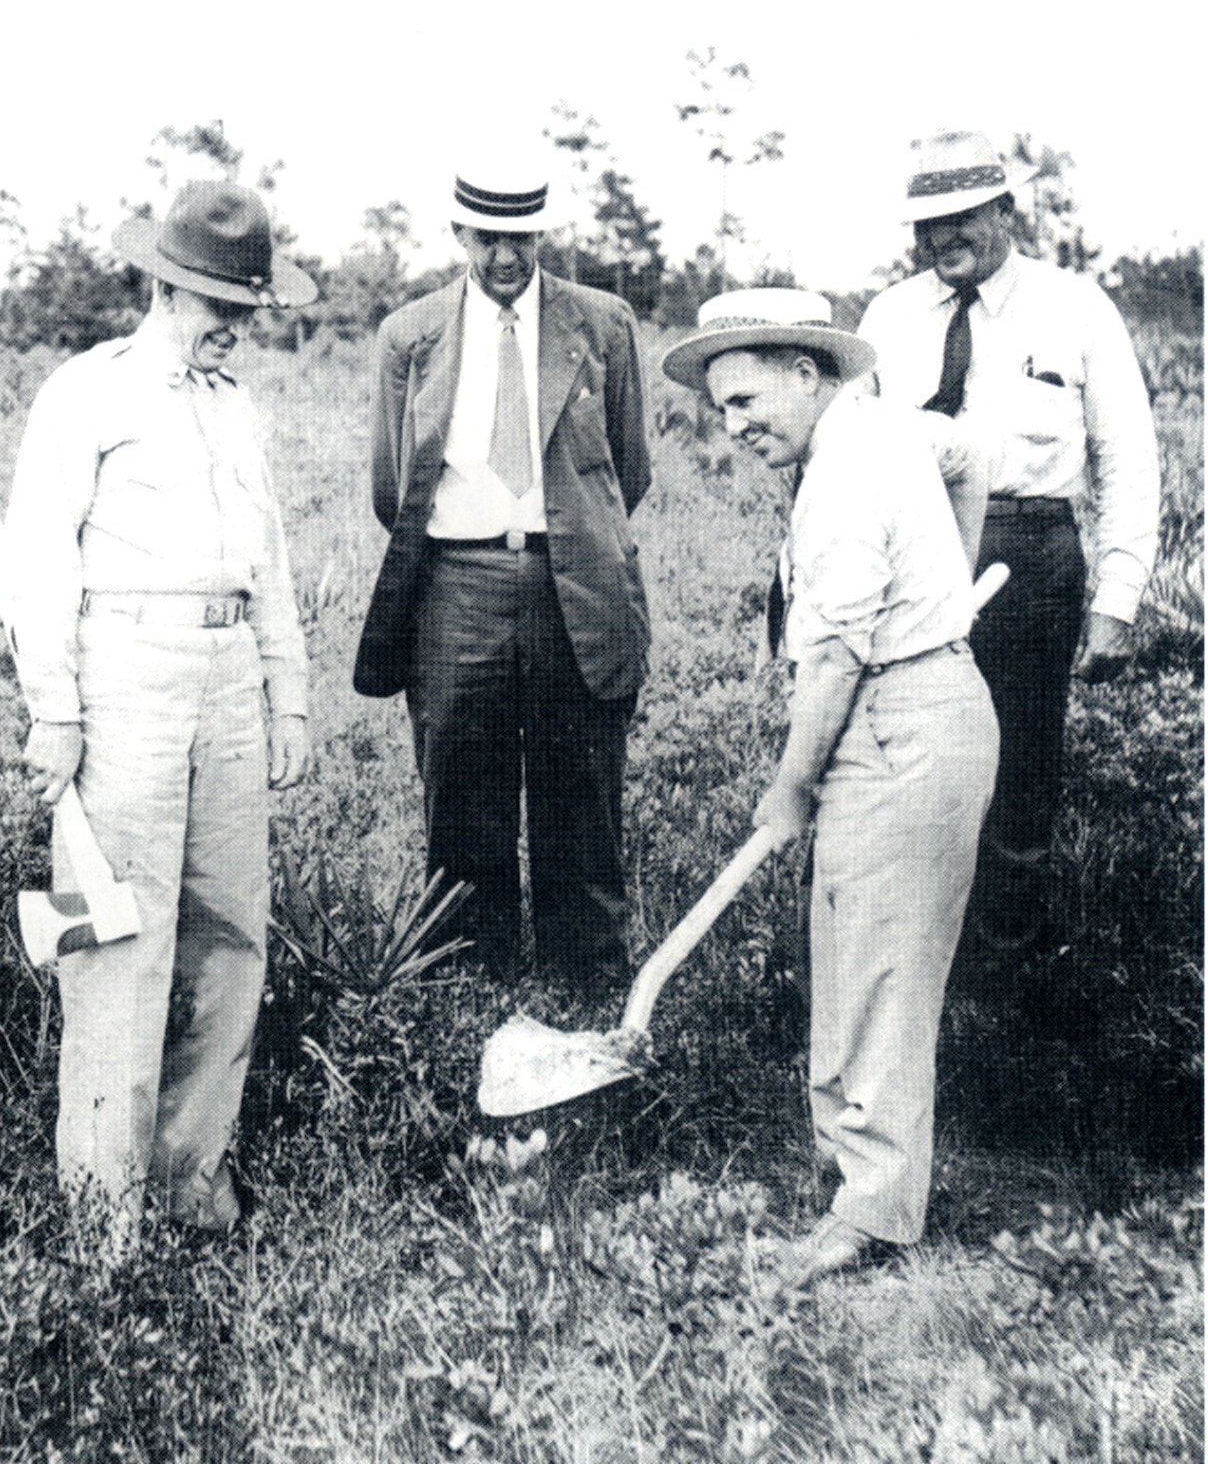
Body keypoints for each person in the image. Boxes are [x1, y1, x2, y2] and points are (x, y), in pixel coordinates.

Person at [664, 287, 997, 1286]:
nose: (732, 426)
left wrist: (787, 786)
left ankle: (871, 1212)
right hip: (897, 705)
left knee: (884, 971)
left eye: (743, 400)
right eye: (720, 408)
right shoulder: (881, 425)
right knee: (845, 947)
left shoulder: (848, 473)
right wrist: (949, 573)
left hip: (905, 722)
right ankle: (842, 1165)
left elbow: (836, 661)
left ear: (804, 371)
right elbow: (968, 458)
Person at [5, 181, 314, 1245]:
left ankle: (194, 1176)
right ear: (161, 285)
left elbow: (265, 556)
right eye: (211, 301)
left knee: (231, 937)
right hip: (123, 676)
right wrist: (54, 706)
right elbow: (35, 556)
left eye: (245, 305)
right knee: (116, 939)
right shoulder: (86, 392)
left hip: (228, 674)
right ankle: (104, 1211)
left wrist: (289, 695)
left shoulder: (235, 403)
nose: (232, 325)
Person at [856, 131, 1159, 957]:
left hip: (1031, 553)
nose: (938, 240)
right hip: (912, 550)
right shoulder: (889, 315)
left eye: (958, 218)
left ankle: (1010, 952)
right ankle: (919, 946)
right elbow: (853, 453)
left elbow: (1128, 458)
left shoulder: (1076, 306)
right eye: (925, 226)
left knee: (1022, 757)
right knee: (912, 747)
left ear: (1004, 209)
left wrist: (1119, 599)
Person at [353, 154, 651, 985]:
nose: (505, 257)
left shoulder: (603, 324)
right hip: (457, 588)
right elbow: (392, 486)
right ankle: (467, 973)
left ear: (542, 232)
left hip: (573, 583)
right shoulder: (409, 337)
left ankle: (587, 972)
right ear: (459, 233)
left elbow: (630, 468)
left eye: (520, 236)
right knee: (461, 781)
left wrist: (566, 535)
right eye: (488, 238)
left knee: (580, 783)